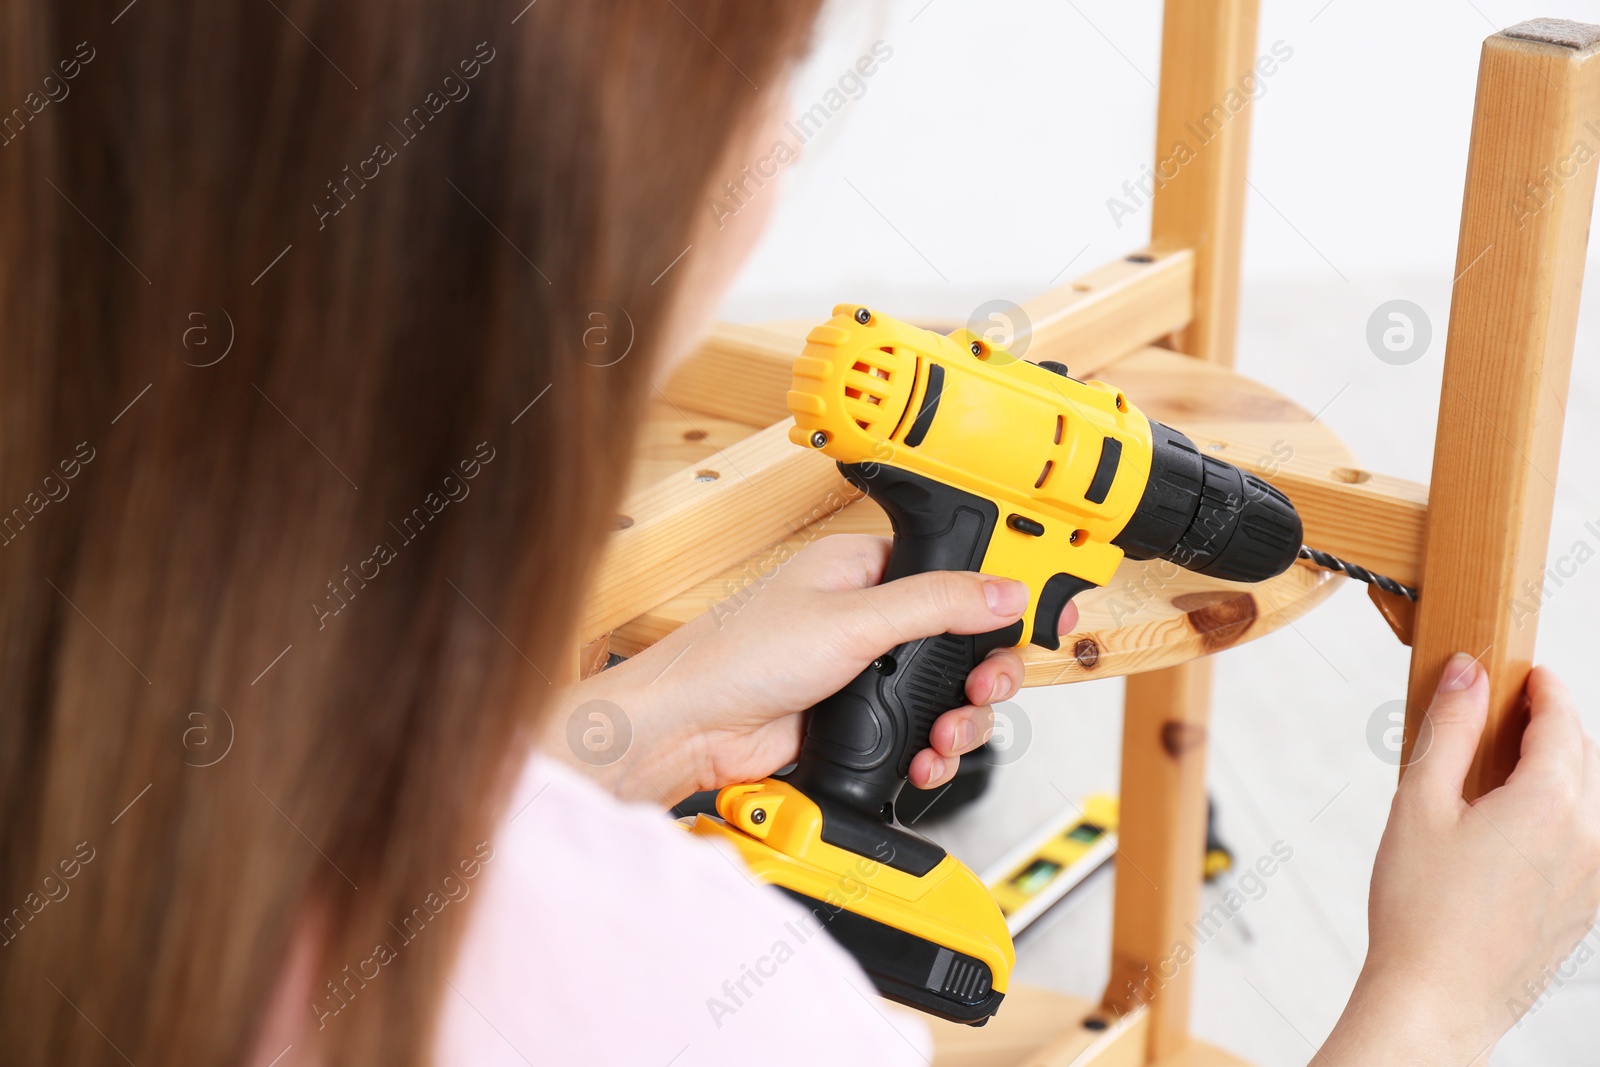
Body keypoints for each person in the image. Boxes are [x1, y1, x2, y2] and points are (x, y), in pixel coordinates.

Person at [0, 3, 1594, 1065]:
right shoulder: (685, 997)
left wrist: (596, 750)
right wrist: (1437, 997)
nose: (788, 154)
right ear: (580, 211)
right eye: (767, 81)